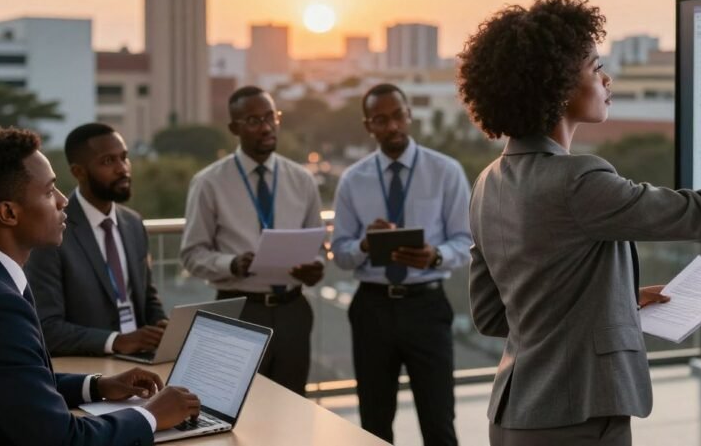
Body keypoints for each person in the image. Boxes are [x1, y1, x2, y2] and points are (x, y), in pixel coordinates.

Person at [456, 0, 701, 446]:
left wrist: (615, 300)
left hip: (514, 416)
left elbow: (493, 315)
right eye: (594, 67)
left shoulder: (488, 181)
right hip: (577, 418)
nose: (606, 79)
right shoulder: (577, 179)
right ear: (558, 86)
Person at [0, 127, 200, 445]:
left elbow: (14, 381)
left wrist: (97, 386)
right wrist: (151, 416)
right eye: (50, 191)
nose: (63, 200)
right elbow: (64, 441)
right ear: (8, 212)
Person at [331, 83, 473, 446]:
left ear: (409, 115)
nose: (392, 126)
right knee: (374, 423)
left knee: (439, 420)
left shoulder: (445, 171)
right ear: (368, 126)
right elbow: (342, 253)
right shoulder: (353, 179)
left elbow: (465, 240)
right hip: (372, 307)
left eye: (397, 116)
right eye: (381, 119)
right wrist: (365, 243)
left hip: (426, 305)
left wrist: (435, 255)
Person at [181, 86, 325, 395]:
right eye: (253, 120)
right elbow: (191, 254)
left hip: (293, 310)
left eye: (270, 117)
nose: (266, 126)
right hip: (240, 309)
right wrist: (231, 264)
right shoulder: (209, 183)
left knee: (292, 407)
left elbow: (318, 245)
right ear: (234, 128)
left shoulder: (302, 179)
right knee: (237, 407)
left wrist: (317, 267)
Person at [25, 123, 168, 356]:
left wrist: (165, 327)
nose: (123, 169)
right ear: (78, 172)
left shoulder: (133, 224)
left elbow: (148, 298)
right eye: (108, 161)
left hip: (145, 358)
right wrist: (117, 341)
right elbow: (47, 329)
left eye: (124, 157)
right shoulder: (52, 232)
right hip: (93, 364)